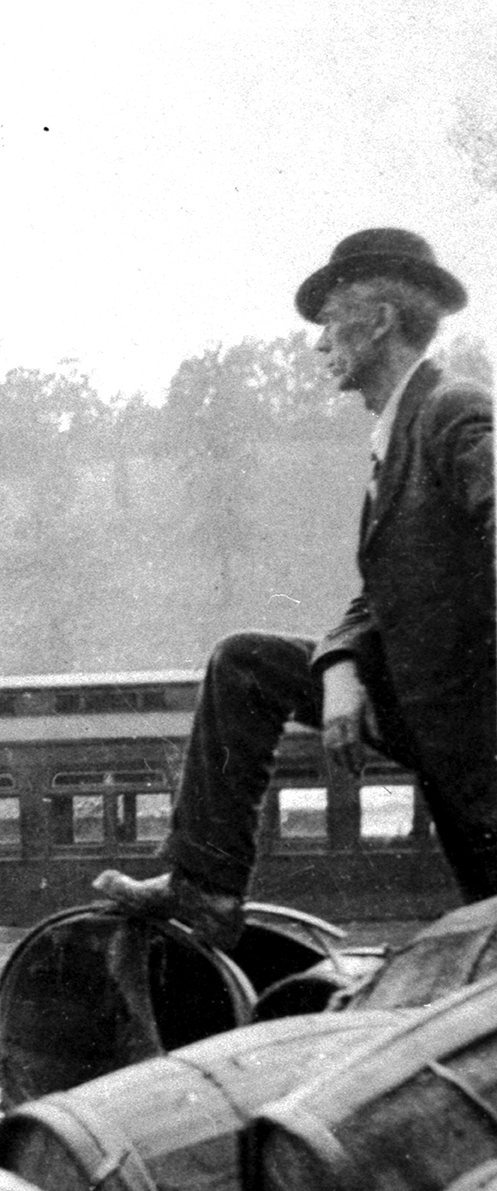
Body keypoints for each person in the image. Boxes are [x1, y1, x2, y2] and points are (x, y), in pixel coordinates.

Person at [98, 228, 493, 946]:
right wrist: (340, 663)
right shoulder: (400, 431)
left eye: (329, 323)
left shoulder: (454, 410)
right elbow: (389, 591)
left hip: (475, 736)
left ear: (377, 323)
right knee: (245, 664)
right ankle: (205, 887)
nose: (318, 348)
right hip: (429, 709)